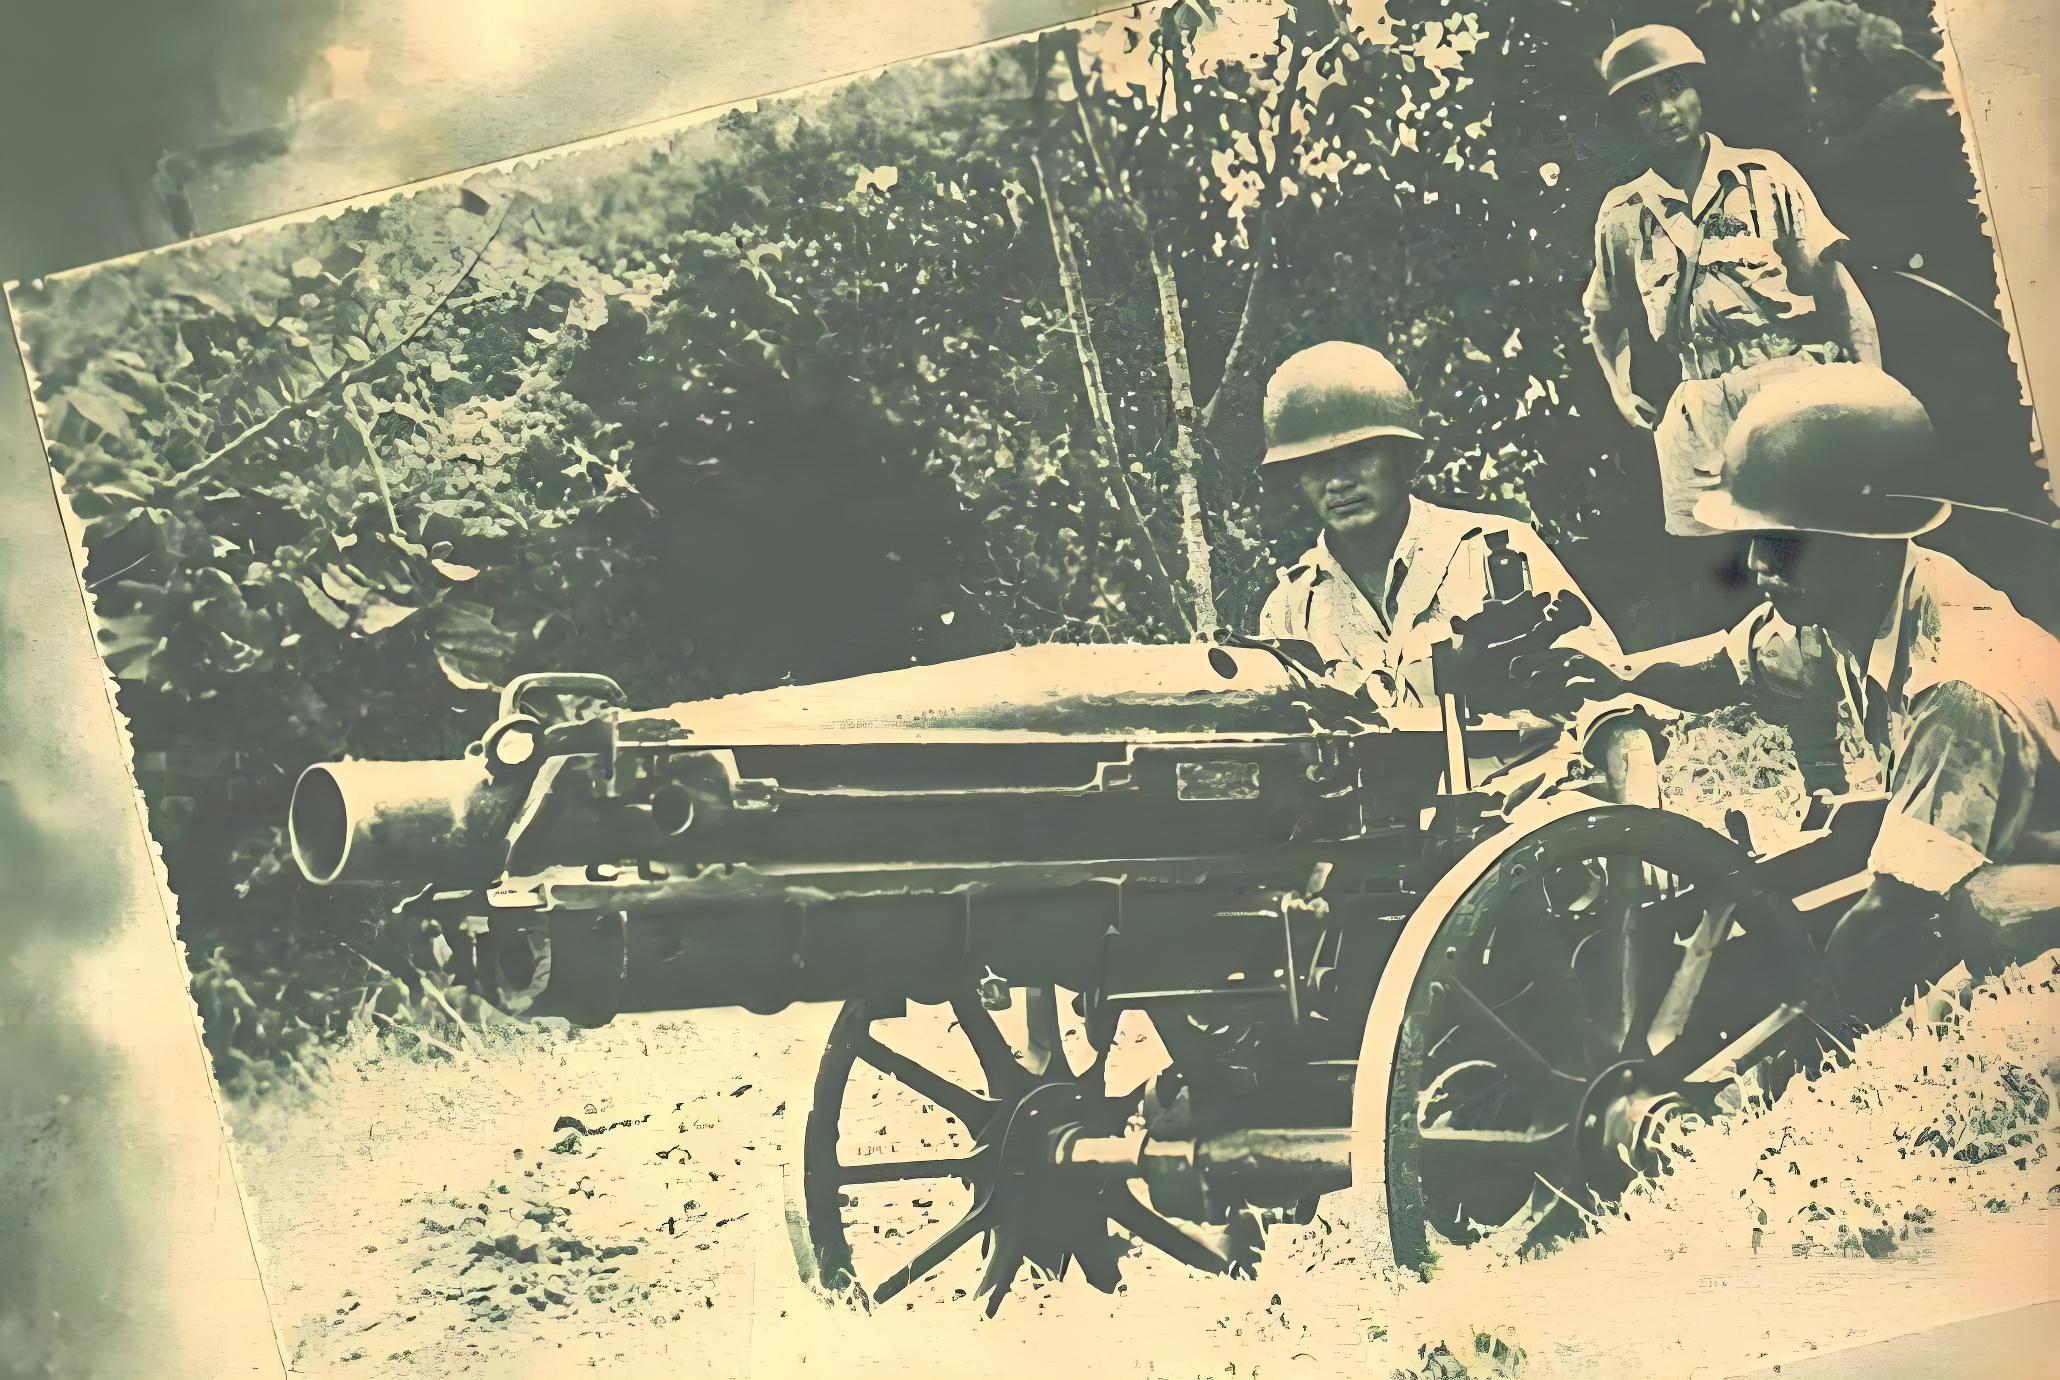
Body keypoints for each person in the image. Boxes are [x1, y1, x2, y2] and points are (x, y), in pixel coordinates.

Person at [1533, 364, 2060, 1022]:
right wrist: (1623, 674)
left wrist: (1799, 1022)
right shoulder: (1853, 603)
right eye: (1755, 540)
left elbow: (1896, 910)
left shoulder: (1955, 686)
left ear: (1870, 549)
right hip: (1987, 849)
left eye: (1784, 546)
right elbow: (1728, 666)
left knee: (1971, 929)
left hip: (2034, 879)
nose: (1757, 564)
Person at [1253, 340, 1653, 805]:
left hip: (1528, 816)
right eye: (1315, 465)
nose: (1338, 482)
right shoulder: (1290, 608)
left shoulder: (1496, 553)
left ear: (1403, 458)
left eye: (1357, 455)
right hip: (1374, 832)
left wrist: (1638, 829)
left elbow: (1610, 706)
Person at [1583, 24, 1883, 634]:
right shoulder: (1622, 215)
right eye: (1644, 100)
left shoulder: (1764, 177)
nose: (1666, 111)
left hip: (1785, 387)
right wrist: (1620, 390)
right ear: (1627, 118)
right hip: (1699, 407)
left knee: (1812, 558)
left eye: (1676, 89)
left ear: (1700, 91)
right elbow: (1603, 317)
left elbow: (1838, 291)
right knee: (1718, 577)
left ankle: (1837, 675)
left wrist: (1873, 394)